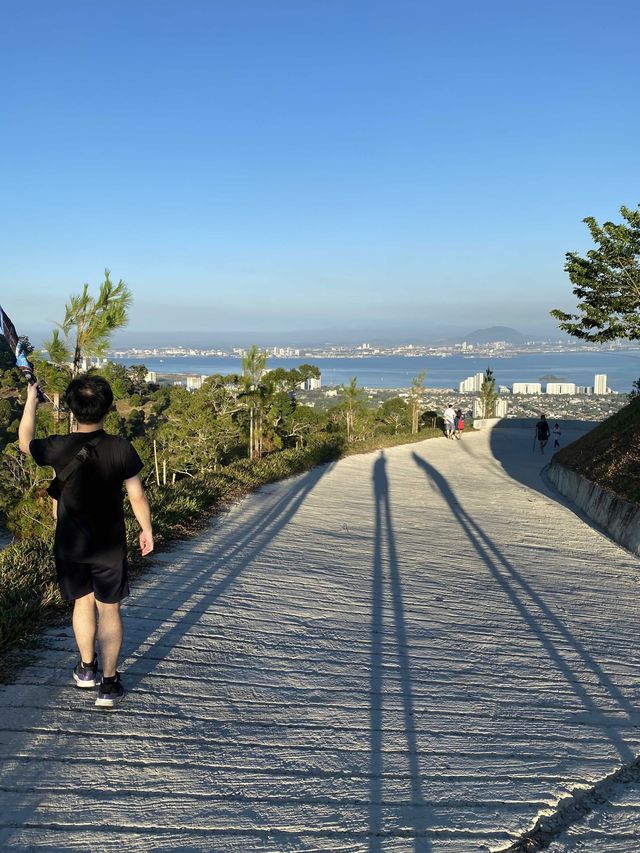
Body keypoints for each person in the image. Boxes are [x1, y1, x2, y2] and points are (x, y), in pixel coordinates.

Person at [18, 375, 153, 708]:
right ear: (107, 407)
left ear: (72, 408)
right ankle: (108, 684)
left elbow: (24, 440)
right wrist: (146, 528)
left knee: (82, 603)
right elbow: (136, 495)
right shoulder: (121, 447)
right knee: (110, 610)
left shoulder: (58, 446)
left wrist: (32, 399)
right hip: (109, 545)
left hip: (70, 544)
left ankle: (86, 668)